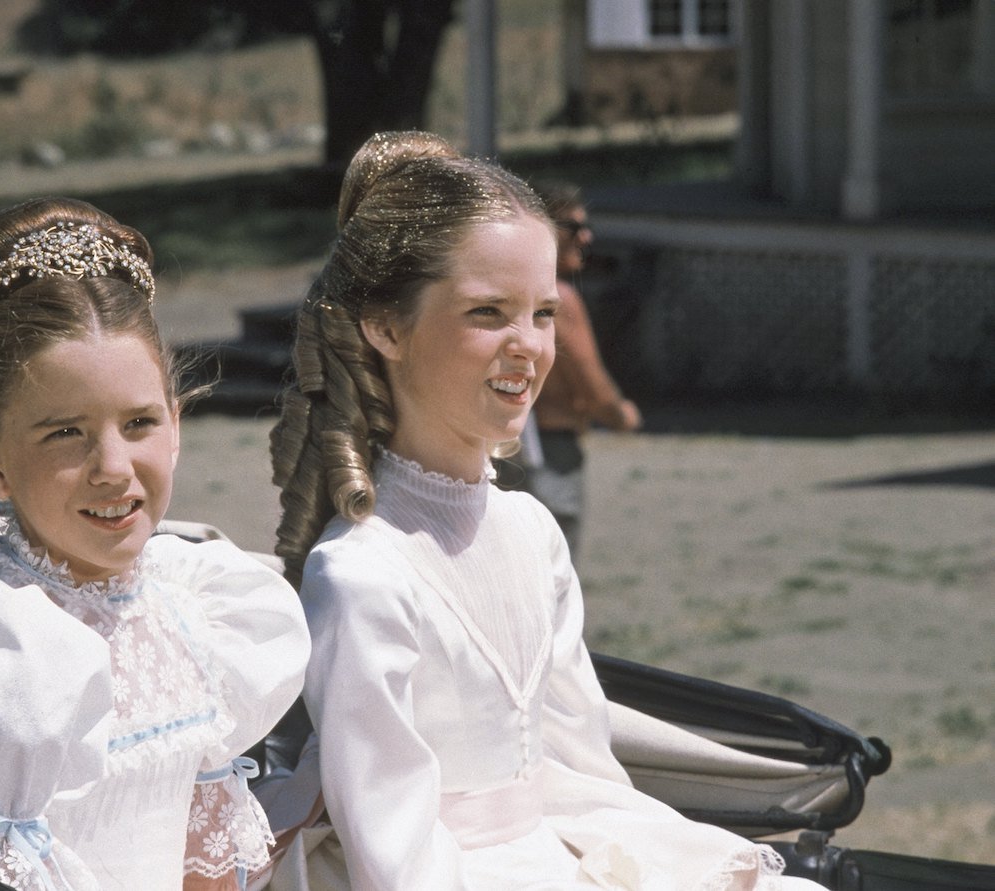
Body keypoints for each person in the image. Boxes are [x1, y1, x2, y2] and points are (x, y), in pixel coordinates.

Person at [267, 132, 826, 890]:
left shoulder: (530, 532)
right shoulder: (363, 572)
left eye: (542, 313)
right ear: (386, 325)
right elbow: (393, 852)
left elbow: (579, 771)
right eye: (488, 312)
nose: (526, 346)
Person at [0, 197, 310, 890]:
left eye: (140, 423)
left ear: (176, 428)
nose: (113, 466)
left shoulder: (203, 615)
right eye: (65, 432)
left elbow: (207, 867)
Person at [500, 179, 641, 563]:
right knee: (553, 585)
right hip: (552, 453)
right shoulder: (557, 296)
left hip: (504, 449)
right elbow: (592, 386)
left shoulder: (500, 293)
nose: (586, 237)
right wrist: (621, 415)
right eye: (574, 228)